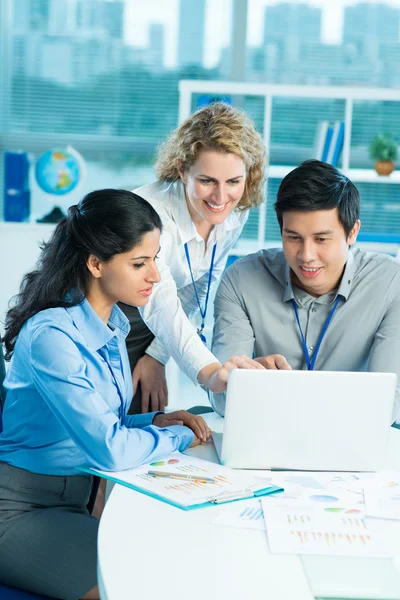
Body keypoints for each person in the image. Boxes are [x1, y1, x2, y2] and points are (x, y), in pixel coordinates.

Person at [0, 189, 261, 600]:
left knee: (185, 558)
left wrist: (157, 420)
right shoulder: (52, 336)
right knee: (144, 582)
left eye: (155, 259)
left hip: (72, 503)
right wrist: (180, 436)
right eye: (140, 263)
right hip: (20, 512)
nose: (155, 276)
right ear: (95, 263)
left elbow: (108, 422)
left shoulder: (114, 325)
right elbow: (110, 450)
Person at [209, 159, 400, 424]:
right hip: (266, 435)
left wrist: (268, 396)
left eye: (321, 239)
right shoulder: (241, 281)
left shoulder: (390, 283)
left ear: (352, 231)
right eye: (293, 237)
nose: (306, 256)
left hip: (351, 437)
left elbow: (388, 401)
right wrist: (244, 380)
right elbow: (221, 399)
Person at [119, 101, 267, 414]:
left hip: (156, 324)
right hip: (110, 316)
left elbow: (198, 285)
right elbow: (160, 300)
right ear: (183, 170)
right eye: (207, 181)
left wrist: (157, 355)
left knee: (144, 420)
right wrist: (211, 373)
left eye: (233, 182)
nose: (220, 197)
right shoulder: (153, 215)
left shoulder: (234, 212)